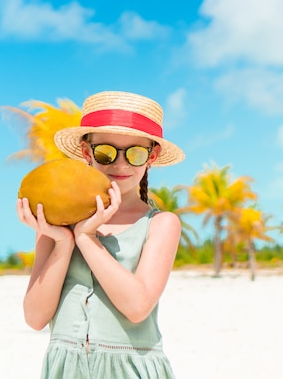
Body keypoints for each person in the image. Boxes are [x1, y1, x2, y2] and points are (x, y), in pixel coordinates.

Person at [17, 91, 185, 379]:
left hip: (131, 368)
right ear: (86, 152)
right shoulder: (57, 227)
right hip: (64, 368)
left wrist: (86, 238)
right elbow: (35, 317)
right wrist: (63, 242)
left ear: (152, 156)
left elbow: (137, 306)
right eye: (106, 152)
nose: (120, 165)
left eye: (135, 153)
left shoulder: (161, 224)